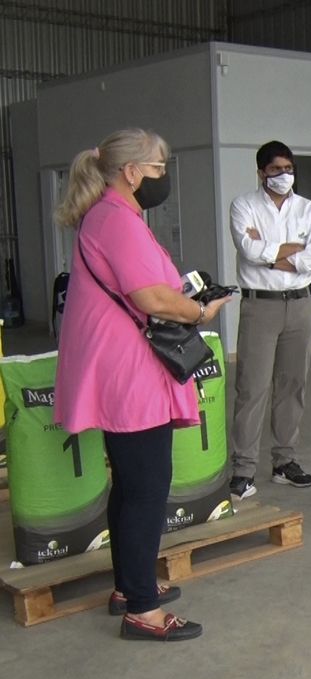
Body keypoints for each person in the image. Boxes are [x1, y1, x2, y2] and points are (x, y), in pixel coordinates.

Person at [54, 128, 232, 641]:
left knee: (132, 484)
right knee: (147, 490)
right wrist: (200, 310)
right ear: (131, 172)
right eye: (158, 168)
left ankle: (128, 587)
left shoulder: (111, 216)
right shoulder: (117, 220)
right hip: (128, 373)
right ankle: (143, 610)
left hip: (117, 367)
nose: (162, 177)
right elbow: (152, 298)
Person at [228, 141, 311, 499]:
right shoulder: (244, 206)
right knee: (252, 387)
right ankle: (243, 470)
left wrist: (268, 253)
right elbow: (247, 249)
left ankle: (285, 462)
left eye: (288, 169)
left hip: (300, 305)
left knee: (292, 385)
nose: (283, 176)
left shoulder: (308, 210)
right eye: (275, 170)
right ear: (261, 173)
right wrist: (292, 250)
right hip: (261, 307)